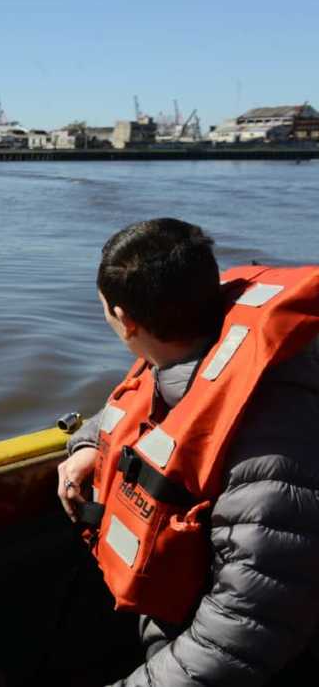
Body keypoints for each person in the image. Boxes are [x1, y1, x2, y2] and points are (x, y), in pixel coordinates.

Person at [57, 218, 319, 686]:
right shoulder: (198, 348)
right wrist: (88, 443)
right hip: (177, 614)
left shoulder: (272, 459)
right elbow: (149, 401)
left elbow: (244, 633)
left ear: (124, 319)